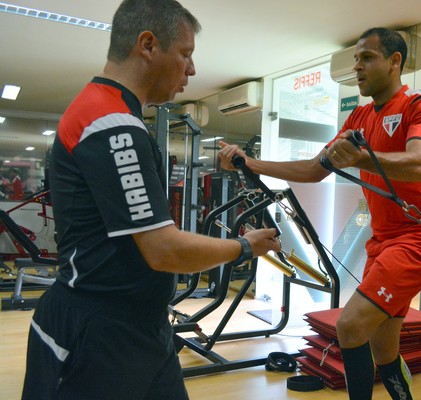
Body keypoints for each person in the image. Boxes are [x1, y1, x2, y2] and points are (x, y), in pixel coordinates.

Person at [21, 1, 280, 399]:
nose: (191, 70)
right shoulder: (111, 123)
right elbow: (163, 251)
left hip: (142, 326)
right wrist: (245, 246)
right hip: (99, 333)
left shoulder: (112, 115)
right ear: (147, 45)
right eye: (186, 54)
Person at [219, 27, 421, 400]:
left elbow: (420, 164)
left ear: (395, 62)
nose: (357, 66)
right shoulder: (358, 118)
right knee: (384, 351)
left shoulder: (420, 104)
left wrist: (364, 158)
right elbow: (314, 169)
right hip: (383, 242)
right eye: (355, 59)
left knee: (350, 325)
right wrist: (252, 163)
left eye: (367, 58)